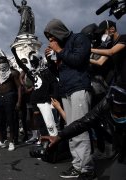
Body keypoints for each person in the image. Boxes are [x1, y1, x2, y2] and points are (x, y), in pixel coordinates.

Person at [42, 83, 126, 180]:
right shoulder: (105, 103)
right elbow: (83, 123)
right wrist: (59, 136)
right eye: (116, 108)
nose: (119, 112)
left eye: (123, 109)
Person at [44, 19, 95, 178]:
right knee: (71, 130)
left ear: (58, 31)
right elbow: (57, 73)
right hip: (66, 90)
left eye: (51, 36)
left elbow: (78, 60)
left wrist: (59, 49)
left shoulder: (79, 39)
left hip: (79, 87)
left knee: (80, 130)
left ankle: (86, 168)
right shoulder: (61, 48)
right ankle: (77, 165)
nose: (51, 41)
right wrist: (49, 60)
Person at [11, 47, 59, 142]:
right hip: (35, 102)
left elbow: (54, 84)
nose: (33, 64)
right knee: (41, 124)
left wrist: (54, 98)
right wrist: (15, 54)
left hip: (45, 101)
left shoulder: (46, 72)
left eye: (34, 61)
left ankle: (56, 143)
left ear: (39, 60)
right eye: (31, 62)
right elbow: (22, 66)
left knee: (50, 124)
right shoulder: (32, 73)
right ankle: (45, 144)